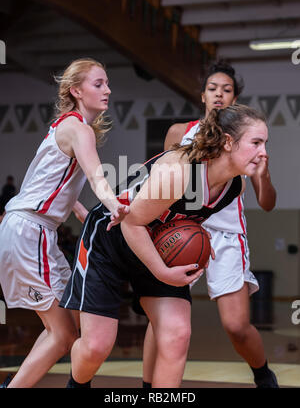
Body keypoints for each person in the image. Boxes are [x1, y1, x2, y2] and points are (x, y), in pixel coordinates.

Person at [60, 103, 269, 388]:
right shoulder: (180, 172)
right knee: (96, 346)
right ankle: (77, 385)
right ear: (229, 142)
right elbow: (131, 224)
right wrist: (161, 271)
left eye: (265, 143)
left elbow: (192, 223)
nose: (264, 152)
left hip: (158, 245)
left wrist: (201, 250)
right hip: (111, 241)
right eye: (256, 142)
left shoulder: (235, 187)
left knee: (177, 334)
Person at [142, 61, 278, 388]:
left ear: (235, 99)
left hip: (226, 234)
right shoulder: (179, 133)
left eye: (227, 90)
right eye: (213, 88)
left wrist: (264, 172)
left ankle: (263, 375)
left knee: (236, 326)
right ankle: (147, 388)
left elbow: (268, 203)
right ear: (202, 95)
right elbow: (160, 184)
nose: (219, 94)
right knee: (160, 318)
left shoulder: (248, 141)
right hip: (181, 232)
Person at [0, 58, 129, 388]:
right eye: (98, 84)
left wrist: (83, 213)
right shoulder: (77, 129)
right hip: (30, 232)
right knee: (62, 333)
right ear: (76, 90)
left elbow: (49, 183)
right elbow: (96, 175)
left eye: (107, 83)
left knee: (65, 330)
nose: (107, 90)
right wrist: (114, 205)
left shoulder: (63, 127)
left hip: (34, 230)